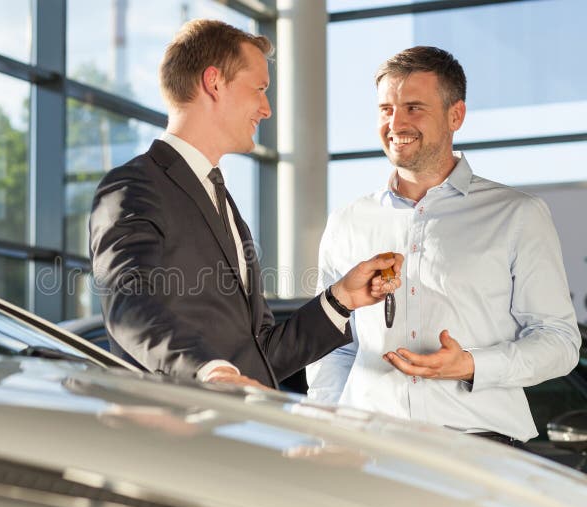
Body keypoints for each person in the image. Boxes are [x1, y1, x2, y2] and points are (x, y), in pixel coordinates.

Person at [90, 19, 402, 389]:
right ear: (214, 82)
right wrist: (206, 371)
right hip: (182, 430)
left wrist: (342, 298)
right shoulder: (134, 186)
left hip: (238, 430)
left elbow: (261, 352)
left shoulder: (222, 202)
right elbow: (129, 307)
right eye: (259, 89)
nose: (266, 108)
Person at [306, 46, 580, 445]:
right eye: (386, 109)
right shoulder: (348, 222)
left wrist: (472, 365)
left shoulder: (517, 215)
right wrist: (327, 428)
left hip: (480, 446)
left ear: (456, 115)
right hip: (368, 447)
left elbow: (559, 340)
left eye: (414, 107)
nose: (395, 122)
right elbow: (331, 346)